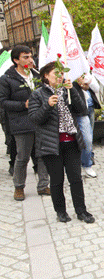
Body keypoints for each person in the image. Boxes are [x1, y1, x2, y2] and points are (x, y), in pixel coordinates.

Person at [28, 61, 95, 223]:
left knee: (76, 179)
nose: (60, 76)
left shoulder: (67, 91)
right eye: (56, 73)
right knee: (57, 180)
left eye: (62, 73)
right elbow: (35, 119)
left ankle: (81, 210)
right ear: (45, 76)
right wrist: (47, 106)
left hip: (71, 141)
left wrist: (73, 90)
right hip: (52, 145)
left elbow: (82, 110)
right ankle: (61, 211)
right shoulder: (38, 94)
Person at [0, 45, 50, 201]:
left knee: (42, 155)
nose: (30, 59)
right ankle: (19, 187)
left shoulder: (36, 75)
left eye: (30, 56)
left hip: (40, 120)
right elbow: (3, 102)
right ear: (16, 60)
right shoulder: (7, 79)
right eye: (25, 57)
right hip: (21, 123)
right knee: (22, 157)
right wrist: (23, 105)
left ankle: (43, 185)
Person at [73, 74, 101, 178]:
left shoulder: (84, 71)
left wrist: (85, 83)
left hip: (83, 111)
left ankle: (87, 164)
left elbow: (95, 88)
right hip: (70, 110)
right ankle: (73, 166)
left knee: (88, 139)